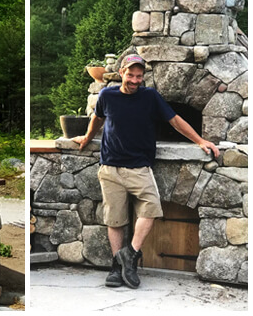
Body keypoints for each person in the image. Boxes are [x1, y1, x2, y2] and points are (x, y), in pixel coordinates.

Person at [72, 54, 220, 289]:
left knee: (151, 209)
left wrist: (200, 140)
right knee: (115, 219)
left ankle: (129, 254)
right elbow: (97, 120)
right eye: (131, 75)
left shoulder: (150, 96)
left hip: (140, 167)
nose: (135, 80)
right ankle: (116, 268)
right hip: (110, 167)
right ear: (122, 73)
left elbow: (174, 120)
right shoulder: (107, 95)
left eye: (139, 76)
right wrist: (87, 138)